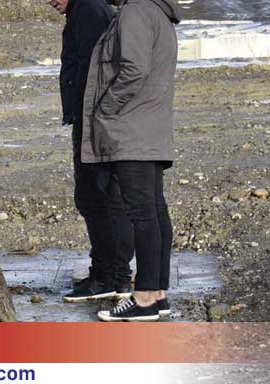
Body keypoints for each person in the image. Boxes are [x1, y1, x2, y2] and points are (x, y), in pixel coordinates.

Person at [80, 0, 181, 321]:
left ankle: (146, 297)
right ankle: (158, 294)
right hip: (147, 128)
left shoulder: (136, 11)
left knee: (142, 213)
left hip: (131, 130)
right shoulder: (156, 11)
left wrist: (106, 109)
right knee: (154, 210)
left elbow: (134, 69)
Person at [46, 0, 135, 303]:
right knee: (94, 196)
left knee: (100, 197)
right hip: (91, 118)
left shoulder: (89, 10)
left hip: (96, 120)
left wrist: (98, 113)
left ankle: (109, 275)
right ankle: (107, 271)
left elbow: (105, 70)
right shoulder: (84, 10)